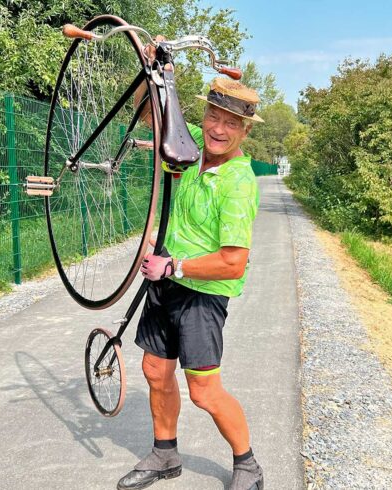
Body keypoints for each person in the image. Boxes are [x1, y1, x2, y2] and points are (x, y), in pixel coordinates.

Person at [116, 76, 265, 490]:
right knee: (155, 371)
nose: (219, 129)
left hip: (202, 295)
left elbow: (233, 264)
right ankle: (165, 454)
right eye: (213, 116)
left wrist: (174, 267)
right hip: (167, 282)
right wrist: (154, 71)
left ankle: (248, 465)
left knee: (204, 391)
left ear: (245, 130)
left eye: (231, 123)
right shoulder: (192, 142)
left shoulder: (239, 183)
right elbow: (149, 112)